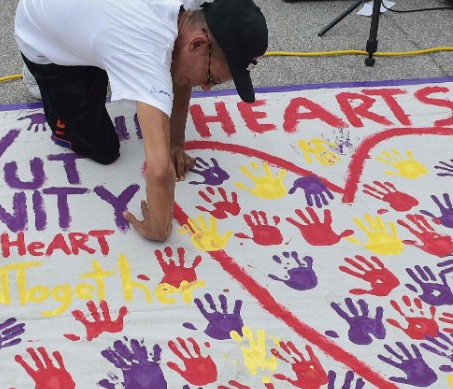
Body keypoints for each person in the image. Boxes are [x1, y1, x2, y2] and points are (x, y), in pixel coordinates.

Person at [14, 0, 268, 242]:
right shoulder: (145, 52)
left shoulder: (202, 13)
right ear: (198, 43)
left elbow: (181, 66)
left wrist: (175, 143)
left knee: (173, 62)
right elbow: (158, 170)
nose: (205, 87)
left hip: (98, 21)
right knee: (102, 148)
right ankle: (42, 76)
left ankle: (97, 54)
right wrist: (159, 228)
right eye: (210, 78)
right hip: (43, 34)